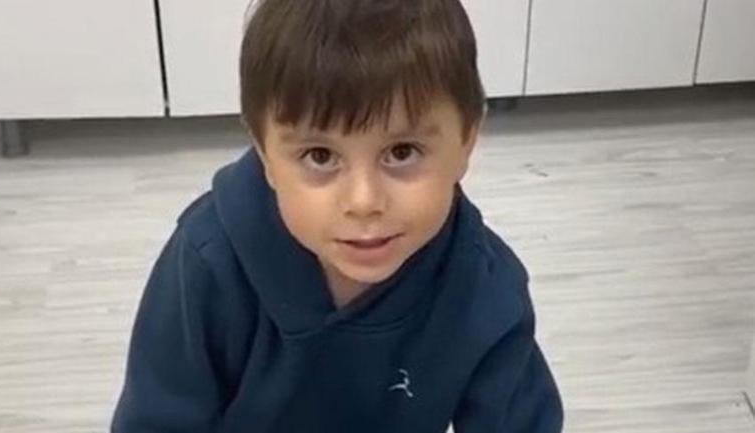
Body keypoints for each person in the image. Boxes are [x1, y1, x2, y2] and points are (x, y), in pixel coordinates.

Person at [110, 0, 564, 432]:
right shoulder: (206, 264)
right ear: (266, 155)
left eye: (401, 152)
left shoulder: (487, 288)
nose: (363, 201)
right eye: (321, 156)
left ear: (467, 142)